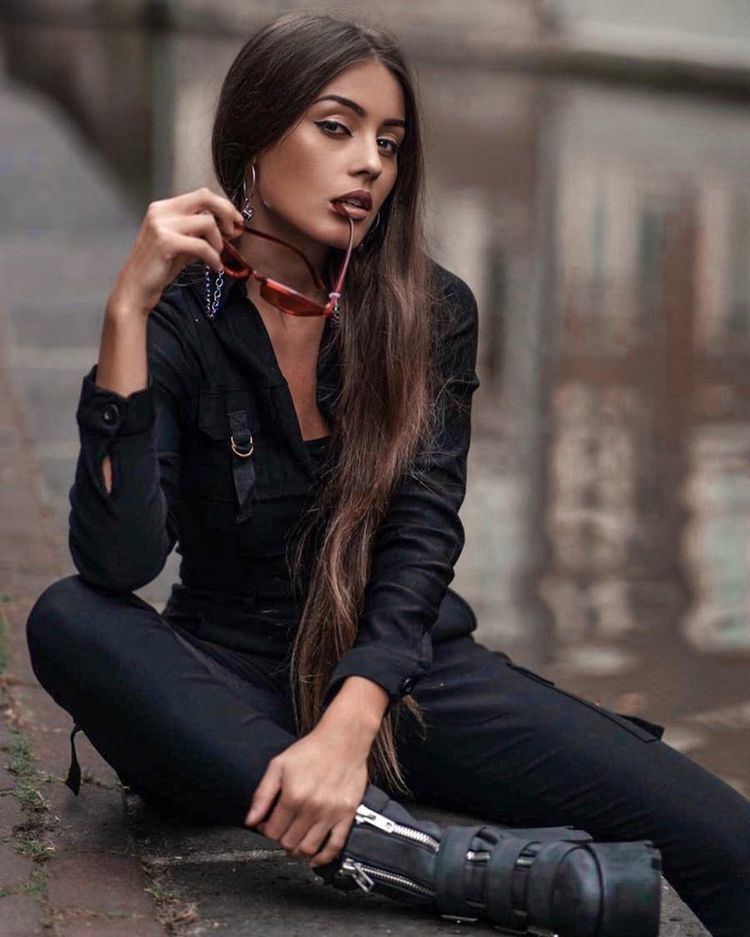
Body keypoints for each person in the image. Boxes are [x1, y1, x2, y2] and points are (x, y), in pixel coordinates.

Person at [24, 11, 750, 936]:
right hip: (230, 677)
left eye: (389, 142)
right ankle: (424, 859)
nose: (369, 161)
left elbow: (422, 533)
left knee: (723, 834)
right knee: (69, 618)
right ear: (255, 134)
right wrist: (125, 310)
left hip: (409, 674)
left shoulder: (431, 309)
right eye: (337, 128)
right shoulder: (182, 317)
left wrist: (349, 723)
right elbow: (121, 560)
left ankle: (375, 828)